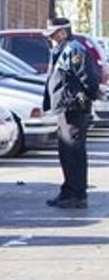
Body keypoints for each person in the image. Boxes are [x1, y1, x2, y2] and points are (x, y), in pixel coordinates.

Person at [42, 17, 99, 209]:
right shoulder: (62, 49)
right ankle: (68, 190)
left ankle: (77, 194)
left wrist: (86, 98)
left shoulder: (75, 49)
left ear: (64, 32)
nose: (51, 38)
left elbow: (88, 78)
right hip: (65, 108)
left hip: (73, 107)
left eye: (53, 34)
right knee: (66, 153)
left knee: (73, 152)